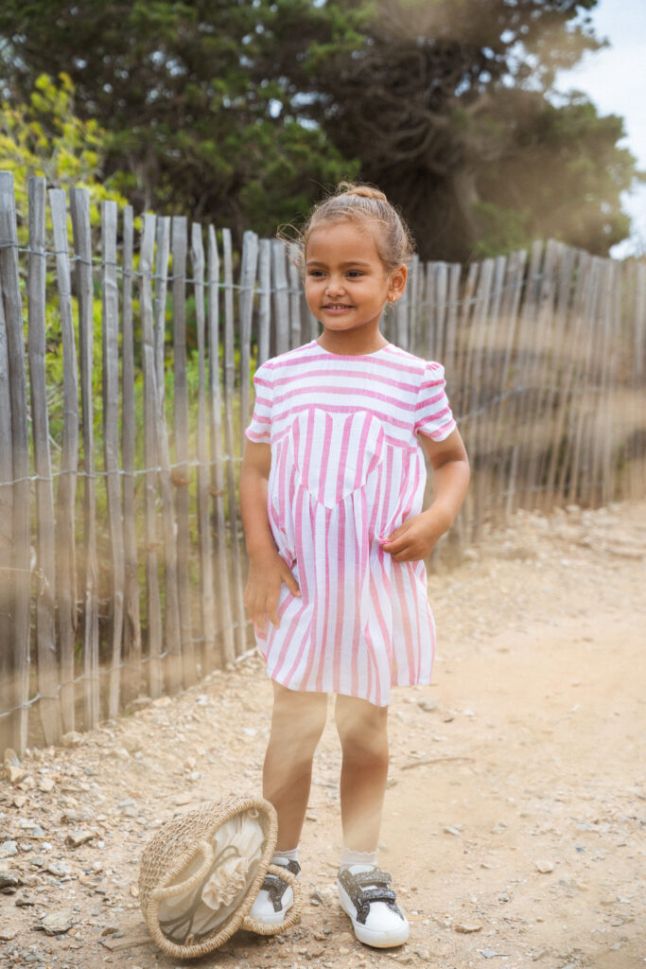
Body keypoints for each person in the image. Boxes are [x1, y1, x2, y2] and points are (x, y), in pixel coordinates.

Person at [239, 182, 470, 948]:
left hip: (372, 590)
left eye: (353, 272)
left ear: (394, 282)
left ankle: (361, 870)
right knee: (293, 729)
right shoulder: (281, 375)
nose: (333, 287)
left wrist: (436, 518)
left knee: (365, 732)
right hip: (304, 590)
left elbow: (452, 461)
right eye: (318, 272)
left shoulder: (414, 378)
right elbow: (256, 471)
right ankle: (276, 864)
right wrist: (262, 555)